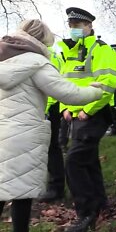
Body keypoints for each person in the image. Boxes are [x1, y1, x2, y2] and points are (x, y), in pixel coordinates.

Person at [0, 19, 103, 232]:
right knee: (22, 192)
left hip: (2, 131)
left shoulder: (3, 59)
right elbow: (68, 93)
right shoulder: (36, 62)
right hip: (24, 134)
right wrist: (96, 91)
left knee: (3, 186)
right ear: (40, 40)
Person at [58, 7, 116, 231]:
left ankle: (86, 213)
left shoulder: (101, 49)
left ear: (90, 26)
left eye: (78, 25)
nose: (74, 29)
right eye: (71, 25)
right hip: (76, 114)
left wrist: (88, 110)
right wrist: (65, 106)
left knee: (73, 162)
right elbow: (64, 82)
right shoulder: (70, 52)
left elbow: (108, 84)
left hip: (95, 112)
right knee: (89, 160)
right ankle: (101, 204)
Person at [38, 48, 67, 203]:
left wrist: (45, 109)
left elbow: (51, 85)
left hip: (49, 106)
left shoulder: (46, 55)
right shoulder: (48, 53)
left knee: (51, 147)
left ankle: (56, 187)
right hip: (47, 106)